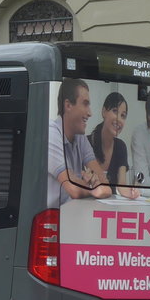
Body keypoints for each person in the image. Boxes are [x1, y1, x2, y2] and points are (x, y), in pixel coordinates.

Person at [47, 78, 112, 207]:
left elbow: (105, 186)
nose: (90, 113)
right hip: (49, 221)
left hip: (69, 218)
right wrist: (93, 186)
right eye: (85, 104)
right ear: (68, 105)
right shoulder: (51, 133)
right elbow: (74, 189)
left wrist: (88, 184)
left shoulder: (80, 137)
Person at [88, 92, 138, 198]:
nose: (119, 119)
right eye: (115, 111)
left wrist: (131, 193)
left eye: (123, 116)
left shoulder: (120, 147)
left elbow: (121, 185)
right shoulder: (85, 143)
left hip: (111, 209)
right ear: (104, 111)